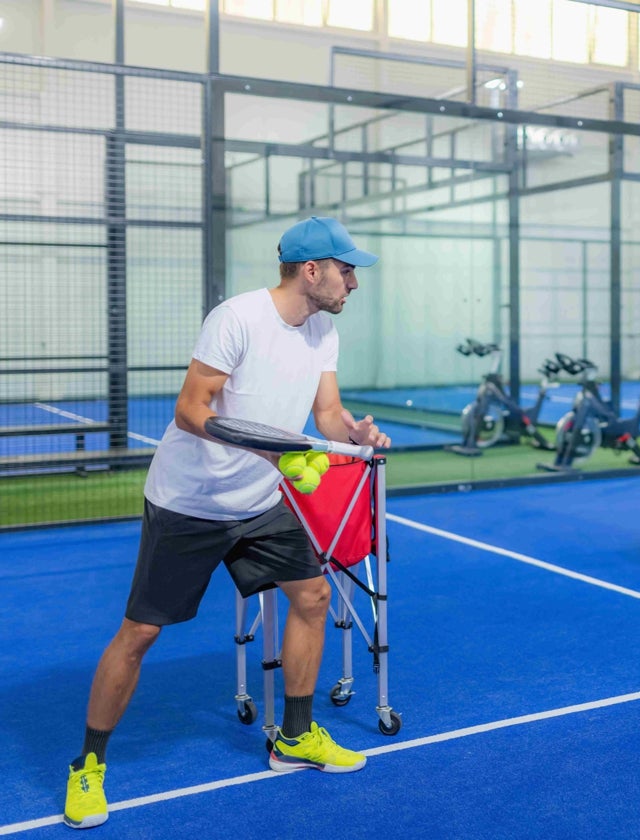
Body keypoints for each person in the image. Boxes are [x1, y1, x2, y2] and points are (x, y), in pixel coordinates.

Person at [63, 216, 393, 829]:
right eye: (346, 270)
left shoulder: (322, 330)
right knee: (139, 634)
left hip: (260, 504)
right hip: (189, 501)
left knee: (315, 595)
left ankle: (294, 738)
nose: (354, 282)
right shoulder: (237, 318)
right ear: (312, 270)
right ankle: (87, 765)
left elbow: (326, 413)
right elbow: (192, 410)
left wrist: (356, 434)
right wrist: (266, 448)